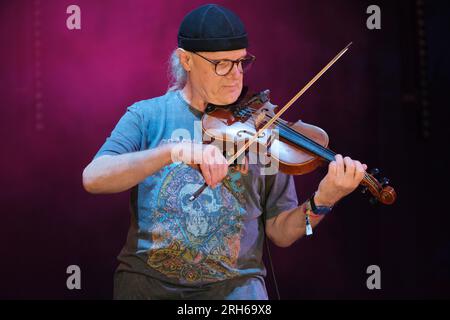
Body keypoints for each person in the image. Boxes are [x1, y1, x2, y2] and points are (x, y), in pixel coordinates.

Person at [82, 4, 366, 300]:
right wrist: (174, 151)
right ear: (186, 60)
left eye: (241, 63)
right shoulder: (147, 116)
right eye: (222, 64)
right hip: (147, 291)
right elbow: (94, 178)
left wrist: (323, 201)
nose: (235, 75)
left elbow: (281, 233)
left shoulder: (263, 129)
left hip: (237, 295)